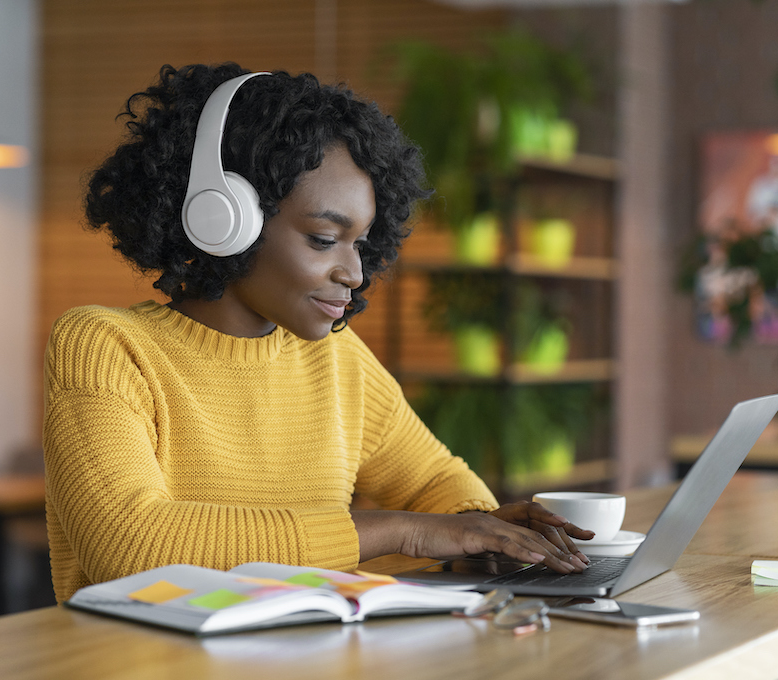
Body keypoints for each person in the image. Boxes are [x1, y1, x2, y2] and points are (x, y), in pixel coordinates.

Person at [43, 63, 592, 603]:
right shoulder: (105, 346)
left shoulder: (336, 359)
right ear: (224, 219)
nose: (354, 273)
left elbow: (440, 485)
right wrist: (405, 531)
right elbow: (128, 544)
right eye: (325, 238)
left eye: (361, 243)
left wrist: (482, 528)